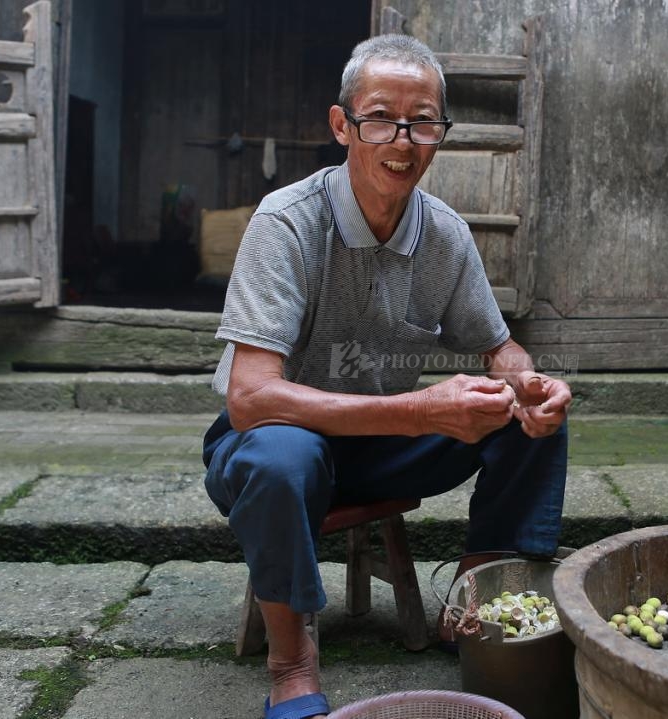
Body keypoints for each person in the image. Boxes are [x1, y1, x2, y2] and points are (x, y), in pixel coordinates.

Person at [202, 34, 572, 719]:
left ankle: (473, 601)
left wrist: (529, 382)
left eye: (423, 120)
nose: (402, 141)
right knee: (287, 456)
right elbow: (250, 400)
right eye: (380, 117)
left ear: (440, 131)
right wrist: (422, 410)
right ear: (342, 125)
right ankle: (292, 662)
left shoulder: (445, 235)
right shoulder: (285, 223)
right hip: (267, 447)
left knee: (530, 415)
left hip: (378, 446)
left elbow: (500, 347)